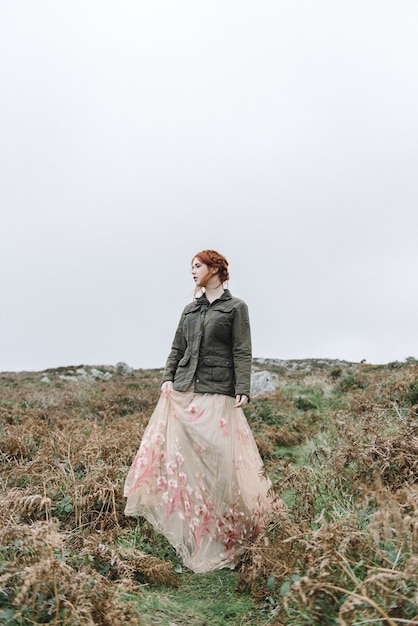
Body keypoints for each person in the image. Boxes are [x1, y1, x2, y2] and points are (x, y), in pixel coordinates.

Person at [124, 250, 280, 573]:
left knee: (223, 463)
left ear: (215, 268)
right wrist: (167, 379)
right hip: (186, 393)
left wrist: (244, 388)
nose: (193, 272)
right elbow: (176, 349)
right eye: (191, 267)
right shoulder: (189, 311)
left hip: (219, 394)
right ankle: (200, 533)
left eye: (197, 266)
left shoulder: (236, 308)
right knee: (188, 463)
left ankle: (239, 531)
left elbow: (242, 349)